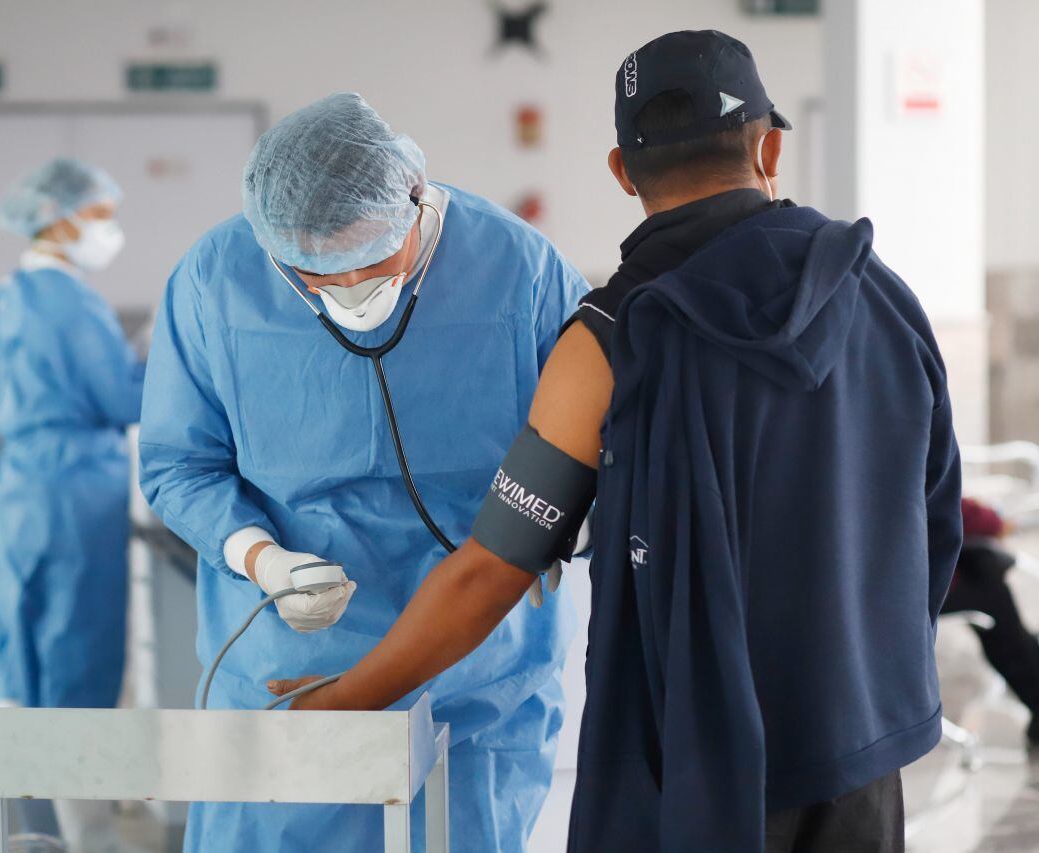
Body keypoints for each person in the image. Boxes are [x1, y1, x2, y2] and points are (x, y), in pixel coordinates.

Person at [271, 32, 963, 853]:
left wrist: (341, 699)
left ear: (621, 171)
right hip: (860, 746)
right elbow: (935, 517)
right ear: (770, 144)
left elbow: (492, 568)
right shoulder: (882, 298)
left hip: (695, 767)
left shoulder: (609, 340)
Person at [139, 92, 588, 853]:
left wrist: (566, 534)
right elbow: (180, 463)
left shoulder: (521, 270)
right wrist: (260, 555)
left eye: (368, 266)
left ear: (413, 201)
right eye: (309, 276)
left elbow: (585, 454)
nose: (340, 291)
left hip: (476, 672)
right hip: (294, 671)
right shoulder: (217, 278)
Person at [0, 157, 145, 850]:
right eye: (99, 214)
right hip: (76, 493)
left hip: (16, 491)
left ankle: (26, 829)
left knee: (22, 658)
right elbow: (119, 400)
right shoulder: (70, 302)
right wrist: (159, 358)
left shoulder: (12, 292)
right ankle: (85, 834)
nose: (107, 229)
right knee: (76, 661)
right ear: (61, 216)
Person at [943, 497, 1039, 743]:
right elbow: (943, 499)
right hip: (896, 588)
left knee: (983, 568)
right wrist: (993, 520)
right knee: (989, 586)